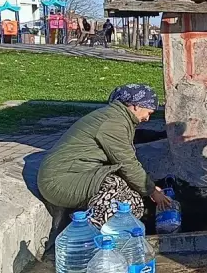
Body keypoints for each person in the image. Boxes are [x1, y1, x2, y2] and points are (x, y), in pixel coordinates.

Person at [38, 84, 172, 229]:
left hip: (77, 174)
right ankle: (90, 234)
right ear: (135, 106)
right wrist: (151, 191)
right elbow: (127, 163)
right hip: (59, 181)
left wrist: (150, 188)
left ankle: (117, 233)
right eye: (149, 112)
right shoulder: (114, 124)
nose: (147, 118)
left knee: (130, 198)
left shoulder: (117, 117)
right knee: (113, 185)